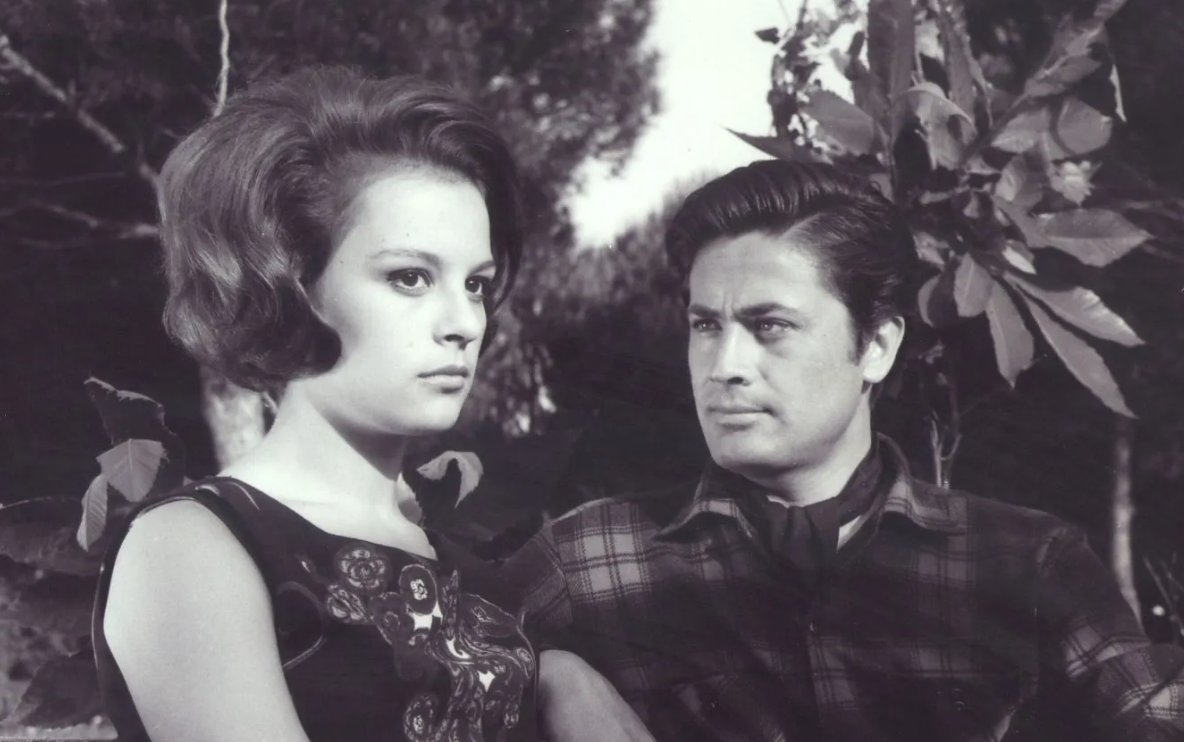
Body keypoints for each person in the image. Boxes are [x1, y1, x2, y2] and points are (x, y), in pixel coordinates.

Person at [512, 160, 1184, 741]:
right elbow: (448, 658)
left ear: (877, 347)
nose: (724, 366)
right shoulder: (585, 560)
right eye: (705, 325)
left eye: (770, 326)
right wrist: (549, 676)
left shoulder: (1026, 564)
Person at [93, 66, 539, 742]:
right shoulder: (190, 548)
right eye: (410, 277)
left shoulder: (452, 556)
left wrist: (563, 678)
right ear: (290, 287)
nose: (465, 323)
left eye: (475, 284)